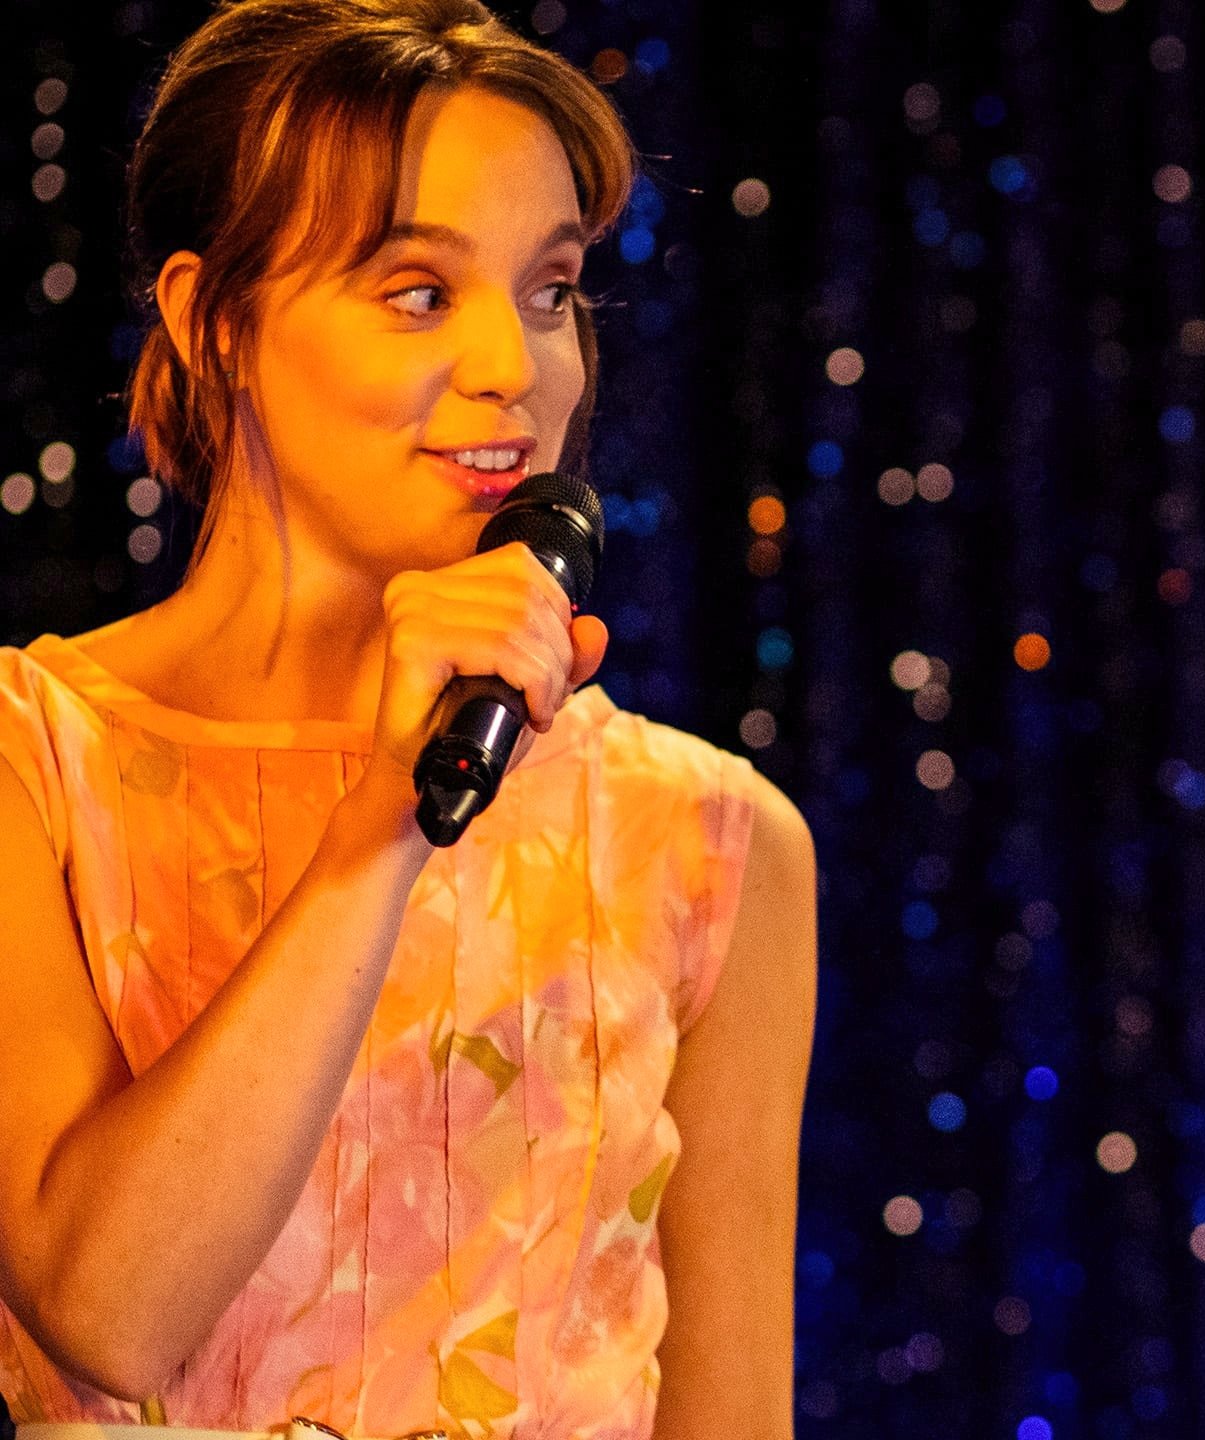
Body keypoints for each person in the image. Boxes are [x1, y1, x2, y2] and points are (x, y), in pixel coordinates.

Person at [0, 3, 816, 1437]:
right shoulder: (34, 757)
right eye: (419, 292)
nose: (516, 363)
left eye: (550, 289)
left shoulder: (706, 844)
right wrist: (388, 813)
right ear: (211, 321)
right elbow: (106, 1309)